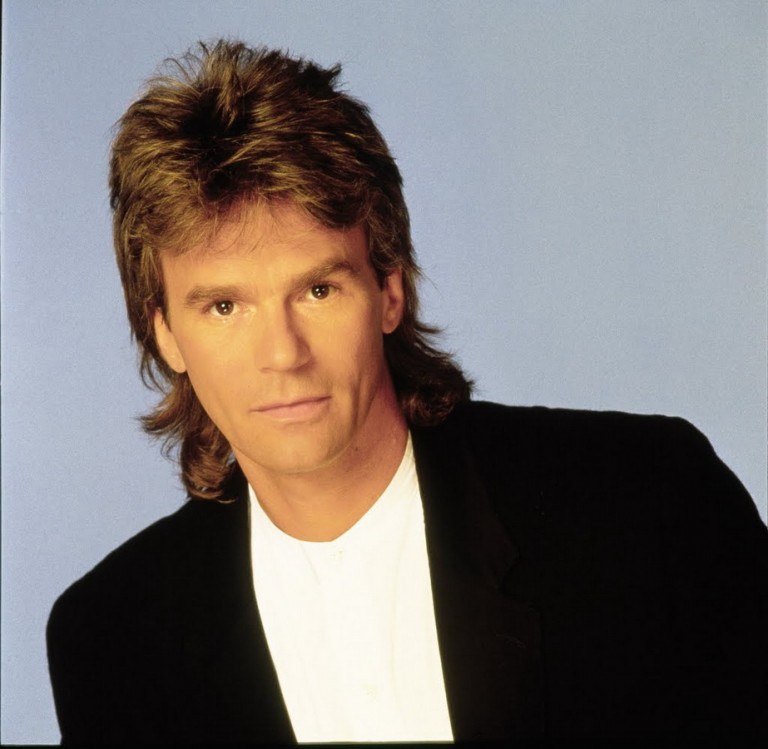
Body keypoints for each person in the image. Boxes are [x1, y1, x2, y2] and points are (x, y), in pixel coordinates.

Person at [47, 40, 768, 745]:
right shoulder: (110, 639)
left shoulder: (649, 499)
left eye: (318, 289)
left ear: (390, 290)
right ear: (166, 334)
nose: (282, 354)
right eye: (224, 307)